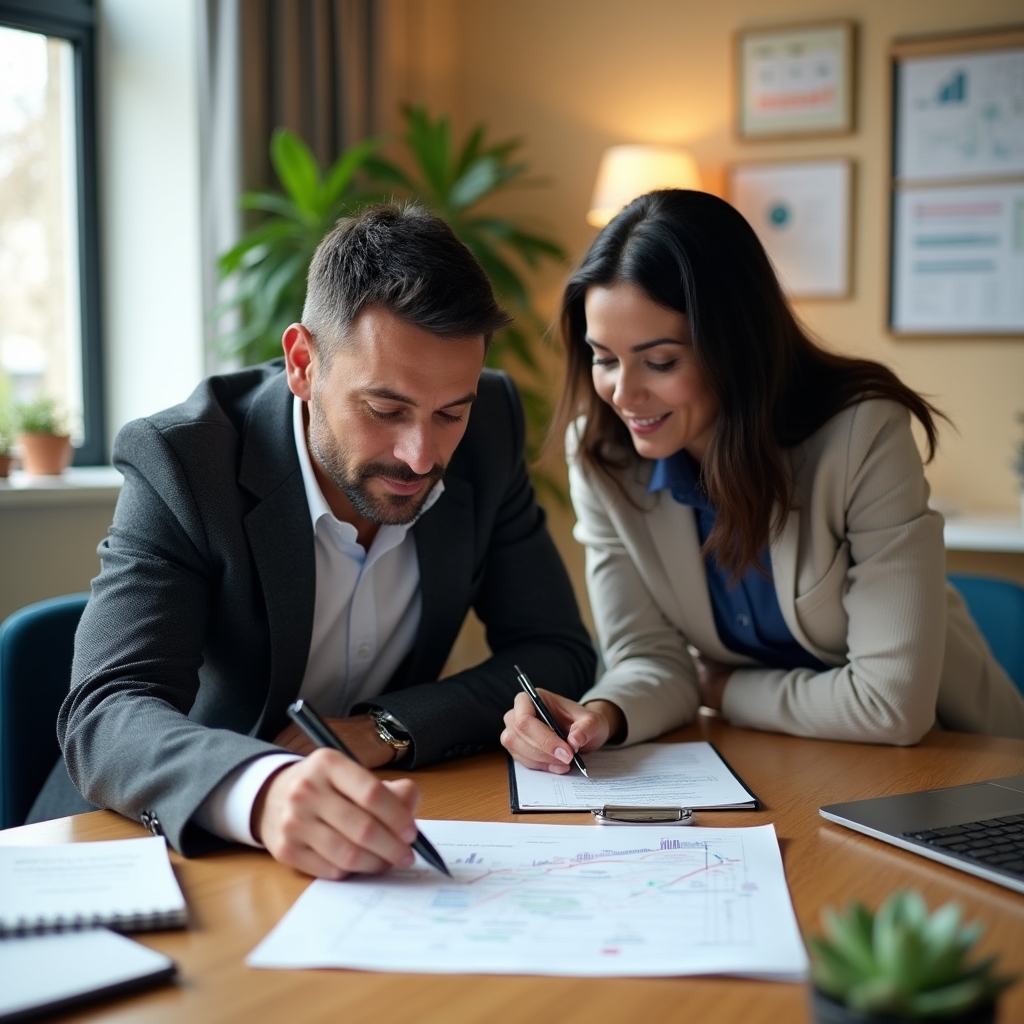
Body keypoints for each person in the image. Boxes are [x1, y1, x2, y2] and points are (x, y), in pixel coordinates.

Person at [39, 204, 596, 878]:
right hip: (140, 855)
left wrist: (384, 729)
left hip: (366, 845)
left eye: (451, 411)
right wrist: (263, 788)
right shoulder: (186, 462)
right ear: (303, 363)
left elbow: (555, 651)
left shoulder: (493, 429)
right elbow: (106, 714)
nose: (421, 456)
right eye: (385, 410)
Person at [501, 189, 1024, 774]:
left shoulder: (861, 435)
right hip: (785, 761)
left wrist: (722, 691)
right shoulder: (602, 457)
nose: (623, 394)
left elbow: (890, 706)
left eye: (661, 361)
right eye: (603, 358)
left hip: (960, 760)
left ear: (733, 345)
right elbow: (649, 657)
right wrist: (601, 714)